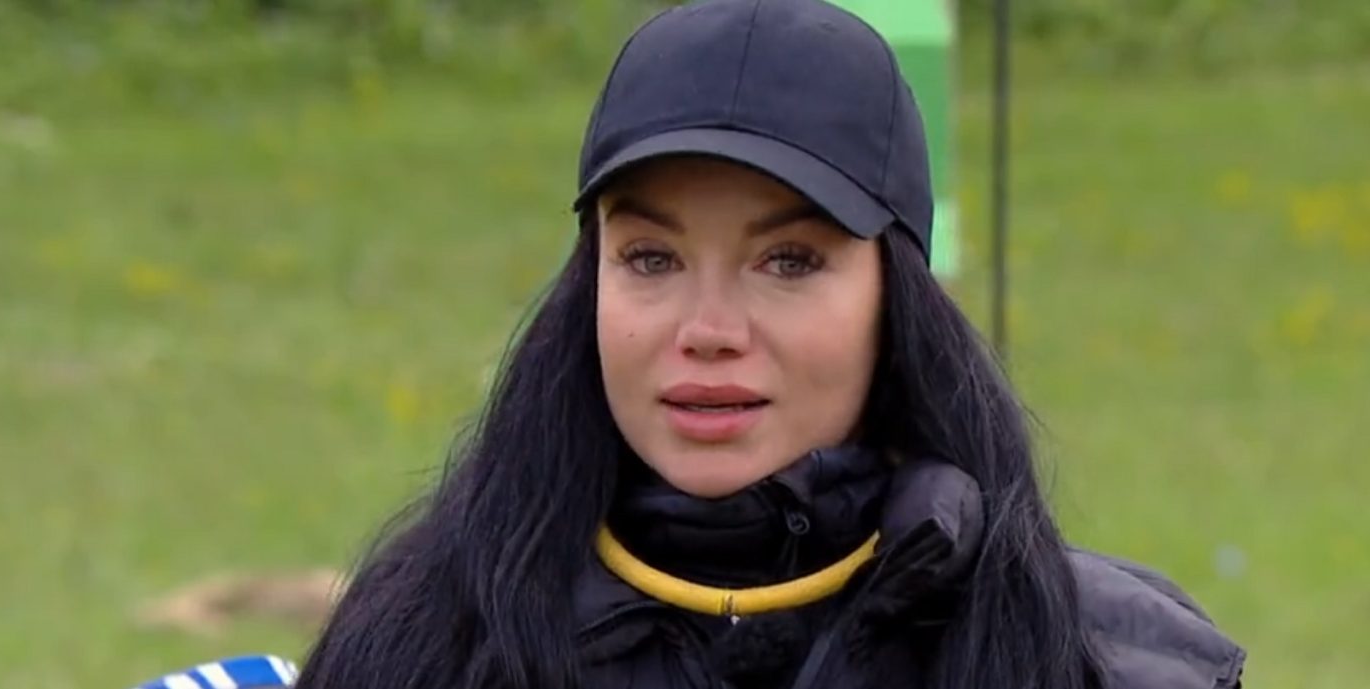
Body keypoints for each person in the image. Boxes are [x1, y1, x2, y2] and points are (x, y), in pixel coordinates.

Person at [294, 0, 1246, 687]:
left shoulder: (1093, 659)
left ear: (897, 299)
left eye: (788, 261)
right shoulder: (422, 642)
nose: (708, 331)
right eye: (652, 258)